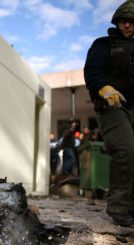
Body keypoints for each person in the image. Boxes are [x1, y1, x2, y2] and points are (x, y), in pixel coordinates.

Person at [84, 0, 134, 226]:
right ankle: (118, 207)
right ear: (117, 21)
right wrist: (103, 87)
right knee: (125, 149)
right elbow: (92, 71)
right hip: (112, 105)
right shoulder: (103, 44)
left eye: (133, 23)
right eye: (125, 21)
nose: (128, 26)